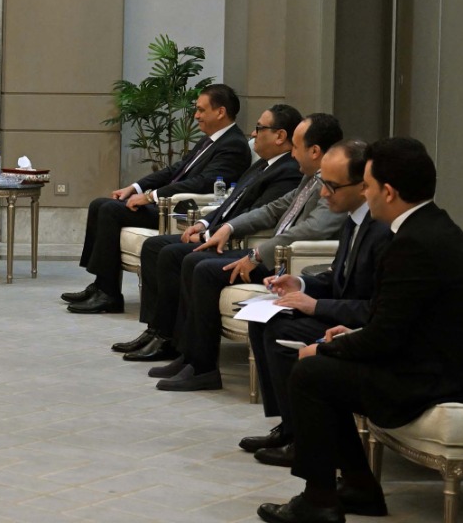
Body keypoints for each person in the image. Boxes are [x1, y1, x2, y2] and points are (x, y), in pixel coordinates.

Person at [255, 137, 463, 523]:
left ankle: (319, 500)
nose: (365, 194)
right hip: (429, 360)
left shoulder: (412, 243)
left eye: (368, 186)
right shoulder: (430, 227)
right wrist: (348, 335)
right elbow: (394, 316)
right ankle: (358, 487)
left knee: (311, 372)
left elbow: (387, 336)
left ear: (388, 192)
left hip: (432, 375)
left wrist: (326, 348)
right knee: (322, 369)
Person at [151, 113, 347, 392]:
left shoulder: (332, 184)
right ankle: (189, 356)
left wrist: (257, 254)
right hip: (273, 253)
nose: (292, 153)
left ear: (314, 151)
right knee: (192, 260)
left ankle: (204, 368)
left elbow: (313, 229)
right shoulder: (310, 178)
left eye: (296, 146)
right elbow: (273, 209)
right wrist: (229, 227)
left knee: (205, 269)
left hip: (289, 261)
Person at [238, 139, 389, 469]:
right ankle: (289, 426)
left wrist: (315, 306)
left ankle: (303, 439)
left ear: (363, 186)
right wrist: (301, 284)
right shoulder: (353, 220)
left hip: (359, 325)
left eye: (331, 186)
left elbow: (373, 307)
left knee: (282, 331)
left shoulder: (383, 231)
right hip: (342, 312)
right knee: (265, 319)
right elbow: (339, 278)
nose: (323, 193)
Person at [113, 104, 304, 361]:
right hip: (219, 231)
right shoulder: (263, 165)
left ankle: (169, 339)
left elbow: (257, 214)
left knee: (172, 254)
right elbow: (230, 202)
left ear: (280, 136)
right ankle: (156, 330)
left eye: (259, 128)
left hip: (240, 242)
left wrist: (209, 234)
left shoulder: (288, 172)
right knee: (155, 246)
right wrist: (203, 224)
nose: (253, 133)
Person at [66, 84, 252, 313]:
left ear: (220, 112)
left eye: (201, 110)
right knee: (99, 204)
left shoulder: (233, 144)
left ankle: (109, 294)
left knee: (110, 210)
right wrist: (135, 187)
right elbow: (175, 171)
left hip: (180, 210)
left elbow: (202, 182)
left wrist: (151, 196)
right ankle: (100, 284)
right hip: (168, 203)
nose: (196, 115)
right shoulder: (209, 140)